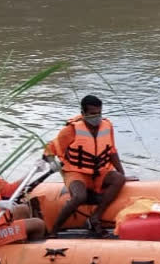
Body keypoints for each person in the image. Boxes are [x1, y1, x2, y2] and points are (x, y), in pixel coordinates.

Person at [44, 94, 126, 236]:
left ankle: (95, 216)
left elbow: (112, 151)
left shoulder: (107, 126)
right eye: (93, 114)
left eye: (99, 113)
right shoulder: (71, 130)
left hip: (100, 171)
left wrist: (122, 173)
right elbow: (49, 148)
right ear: (83, 113)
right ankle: (55, 228)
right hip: (76, 171)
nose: (97, 117)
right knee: (79, 197)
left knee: (119, 179)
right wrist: (52, 163)